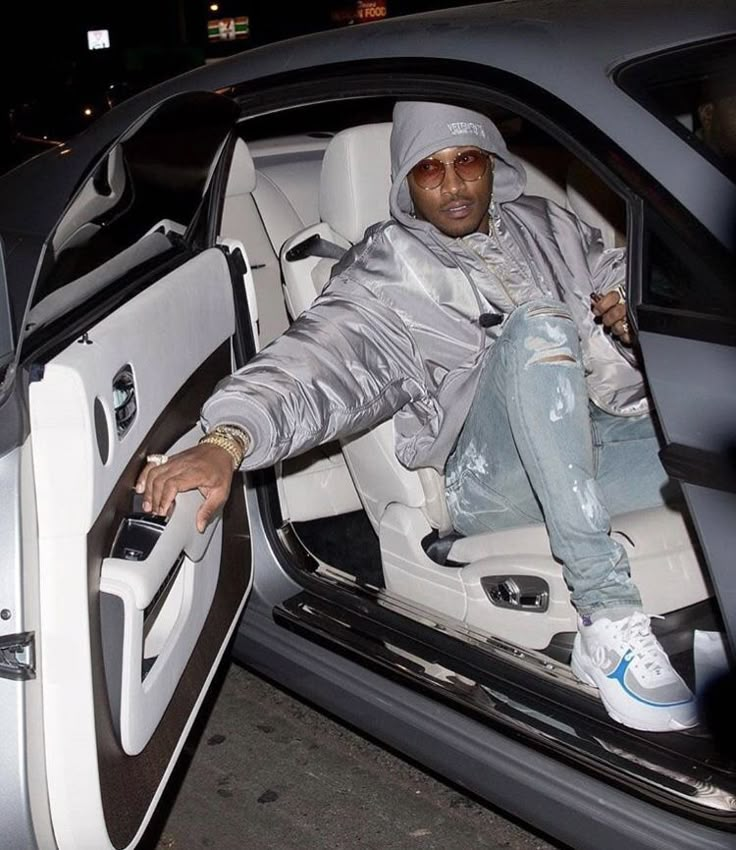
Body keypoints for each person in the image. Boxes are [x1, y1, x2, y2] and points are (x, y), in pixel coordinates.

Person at [136, 101, 696, 733]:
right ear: (405, 181)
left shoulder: (547, 224)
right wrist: (229, 438)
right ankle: (608, 618)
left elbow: (615, 271)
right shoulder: (385, 271)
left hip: (592, 442)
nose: (453, 184)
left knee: (710, 444)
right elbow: (317, 361)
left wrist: (632, 307)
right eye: (429, 169)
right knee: (539, 327)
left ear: (492, 164)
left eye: (467, 161)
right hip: (490, 481)